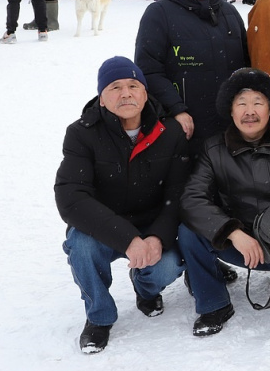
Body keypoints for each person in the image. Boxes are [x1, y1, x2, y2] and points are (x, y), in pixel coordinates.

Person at [177, 68, 270, 335]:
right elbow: (192, 198)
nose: (250, 111)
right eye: (242, 104)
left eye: (258, 103)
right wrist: (232, 232)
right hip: (245, 244)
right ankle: (213, 303)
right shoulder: (214, 149)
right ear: (231, 111)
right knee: (188, 232)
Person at [54, 56, 189, 353]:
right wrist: (127, 239)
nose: (126, 93)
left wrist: (155, 237)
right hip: (102, 225)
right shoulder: (81, 133)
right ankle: (99, 317)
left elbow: (178, 192)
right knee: (81, 248)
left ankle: (145, 287)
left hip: (151, 223)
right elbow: (70, 197)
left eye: (133, 85)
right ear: (102, 98)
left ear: (145, 93)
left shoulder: (170, 133)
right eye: (115, 87)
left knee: (169, 264)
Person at [134, 0, 249, 155]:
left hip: (231, 128)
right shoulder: (159, 14)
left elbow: (245, 65)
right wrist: (176, 109)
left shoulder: (229, 13)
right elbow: (149, 70)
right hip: (186, 130)